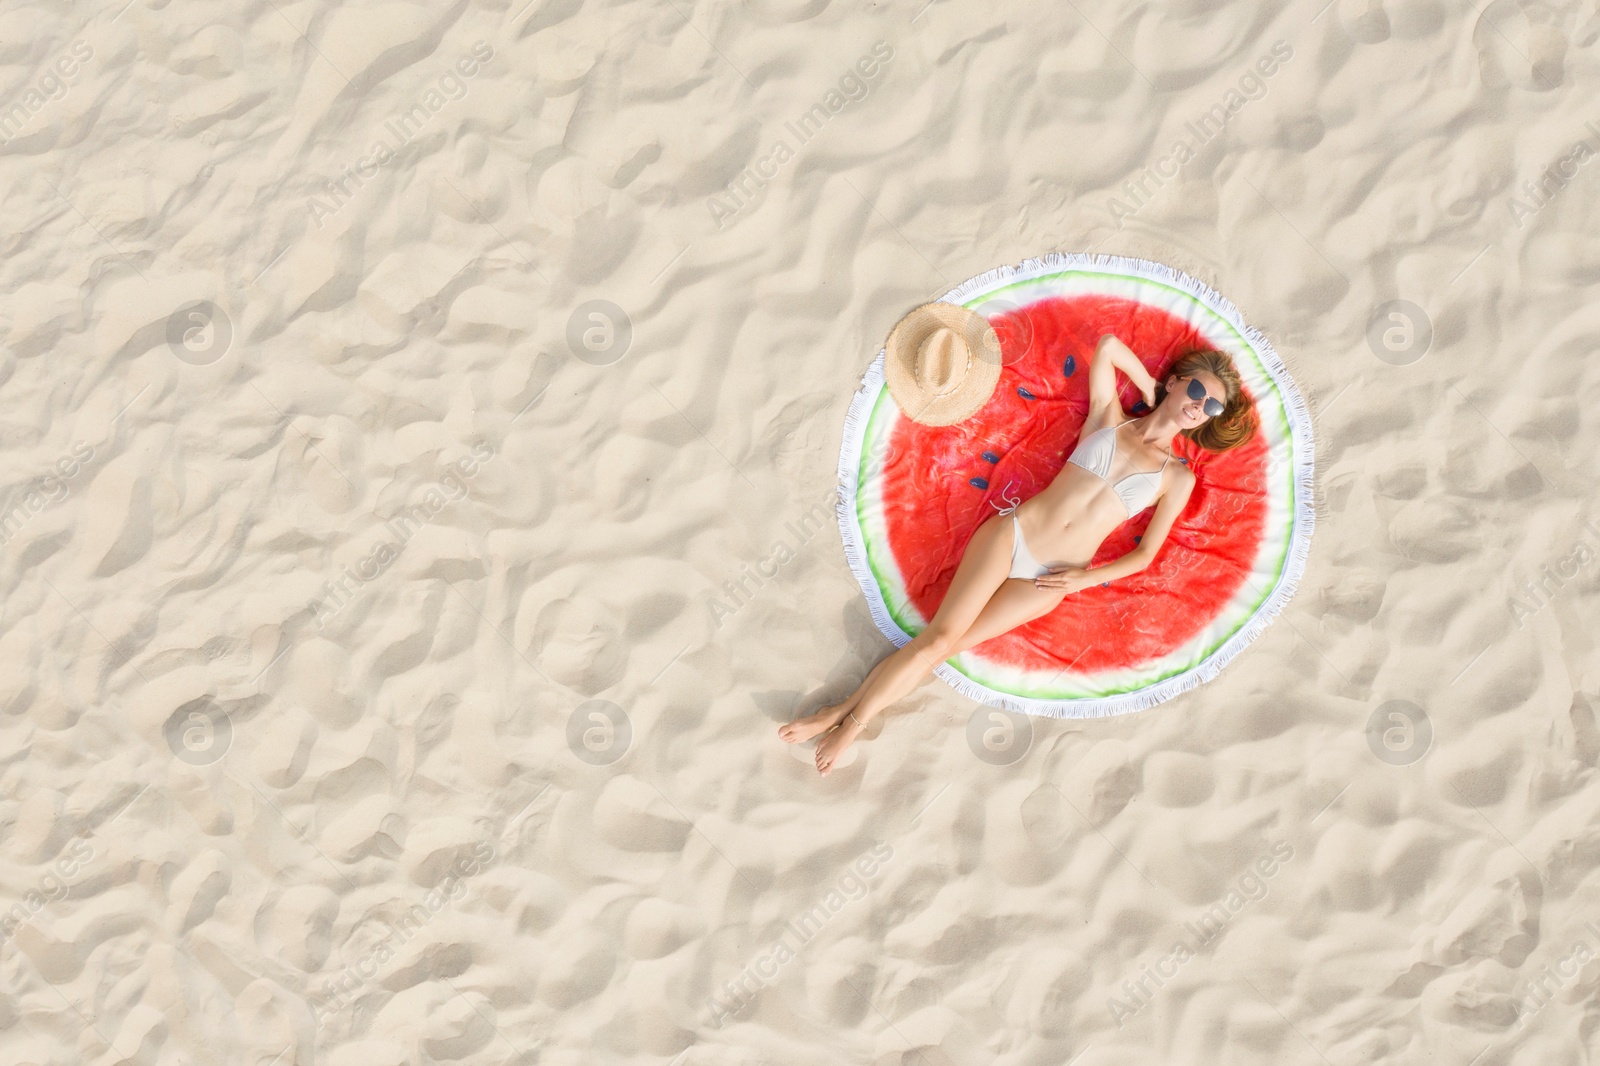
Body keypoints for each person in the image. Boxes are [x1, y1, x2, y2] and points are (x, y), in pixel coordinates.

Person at [780, 333, 1258, 774]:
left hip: (1052, 578)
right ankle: (849, 722)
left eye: (1212, 406)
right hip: (1012, 535)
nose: (1201, 406)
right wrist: (1151, 388)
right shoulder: (1107, 419)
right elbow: (1109, 346)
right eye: (1196, 391)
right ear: (1175, 382)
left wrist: (1080, 581)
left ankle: (840, 712)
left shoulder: (1177, 477)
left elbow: (1146, 555)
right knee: (938, 639)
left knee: (943, 648)